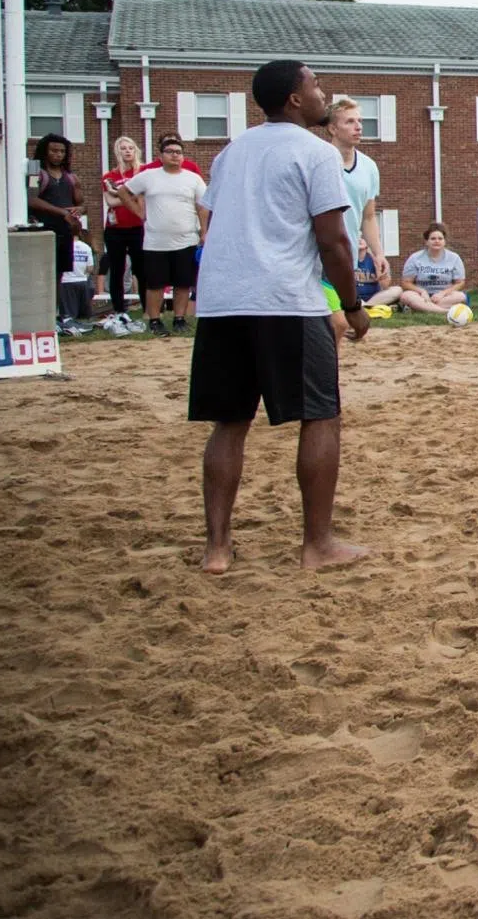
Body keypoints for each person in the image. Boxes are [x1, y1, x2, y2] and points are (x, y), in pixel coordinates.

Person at [188, 58, 371, 573]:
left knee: (229, 422)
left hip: (223, 300)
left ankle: (217, 548)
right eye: (315, 86)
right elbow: (333, 239)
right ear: (294, 99)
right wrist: (353, 307)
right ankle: (318, 545)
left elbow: (220, 220)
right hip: (286, 300)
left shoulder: (231, 151)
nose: (322, 94)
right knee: (320, 415)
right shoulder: (315, 152)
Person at [114, 136, 209, 335]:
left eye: (179, 152)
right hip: (156, 242)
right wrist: (139, 213)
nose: (175, 156)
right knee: (155, 284)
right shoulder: (149, 176)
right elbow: (123, 192)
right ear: (161, 155)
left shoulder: (192, 178)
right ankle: (155, 320)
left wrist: (204, 232)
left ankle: (179, 319)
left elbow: (203, 206)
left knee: (183, 283)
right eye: (171, 152)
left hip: (186, 239)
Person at [325, 97, 386, 341]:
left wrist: (378, 253)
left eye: (360, 121)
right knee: (338, 324)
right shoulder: (320, 160)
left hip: (346, 258)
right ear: (332, 128)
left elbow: (368, 216)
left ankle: (329, 377)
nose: (358, 126)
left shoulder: (369, 167)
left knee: (337, 327)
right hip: (317, 256)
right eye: (350, 121)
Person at [26, 133, 84, 288]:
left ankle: (56, 311)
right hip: (43, 230)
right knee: (41, 273)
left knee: (59, 275)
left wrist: (79, 210)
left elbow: (81, 205)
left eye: (62, 151)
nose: (58, 155)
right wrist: (62, 212)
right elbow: (31, 199)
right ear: (45, 151)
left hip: (65, 231)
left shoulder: (72, 177)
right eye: (54, 151)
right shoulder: (36, 173)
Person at [101, 135, 148, 321]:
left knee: (141, 269)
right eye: (123, 148)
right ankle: (120, 311)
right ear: (117, 152)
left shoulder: (143, 172)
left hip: (138, 227)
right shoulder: (109, 176)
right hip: (115, 228)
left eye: (131, 147)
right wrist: (130, 197)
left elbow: (143, 198)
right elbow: (109, 200)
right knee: (117, 269)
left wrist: (119, 194)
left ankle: (148, 310)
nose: (127, 151)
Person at [397, 223, 469, 314]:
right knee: (406, 296)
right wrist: (422, 292)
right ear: (426, 241)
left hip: (444, 296)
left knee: (461, 296)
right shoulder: (415, 258)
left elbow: (460, 283)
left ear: (444, 241)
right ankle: (446, 311)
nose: (437, 241)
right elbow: (406, 283)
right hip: (421, 295)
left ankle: (421, 308)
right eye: (433, 238)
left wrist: (443, 293)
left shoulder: (454, 258)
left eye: (440, 238)